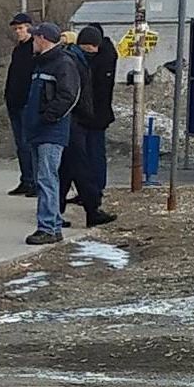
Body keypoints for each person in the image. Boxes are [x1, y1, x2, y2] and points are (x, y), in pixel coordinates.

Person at [23, 22, 81, 245]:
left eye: (35, 37)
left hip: (51, 131)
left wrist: (48, 117)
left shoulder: (62, 64)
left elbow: (69, 95)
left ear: (43, 39)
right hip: (40, 130)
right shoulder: (41, 63)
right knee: (45, 178)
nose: (32, 41)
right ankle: (53, 223)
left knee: (47, 178)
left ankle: (47, 227)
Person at [57, 34, 117, 228]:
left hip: (72, 121)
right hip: (75, 122)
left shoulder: (72, 59)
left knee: (66, 170)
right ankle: (92, 210)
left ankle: (55, 210)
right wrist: (84, 114)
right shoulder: (75, 62)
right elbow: (75, 94)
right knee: (81, 168)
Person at [79, 24, 118, 198]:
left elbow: (98, 89)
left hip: (96, 115)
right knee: (87, 154)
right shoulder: (103, 56)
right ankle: (88, 189)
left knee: (94, 153)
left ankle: (95, 189)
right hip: (92, 113)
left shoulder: (103, 60)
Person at [4, 13, 38, 197]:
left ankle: (33, 180)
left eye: (21, 28)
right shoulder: (18, 50)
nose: (18, 32)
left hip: (27, 103)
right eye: (16, 29)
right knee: (20, 144)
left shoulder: (35, 48)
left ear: (29, 28)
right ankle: (26, 179)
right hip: (14, 102)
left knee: (28, 144)